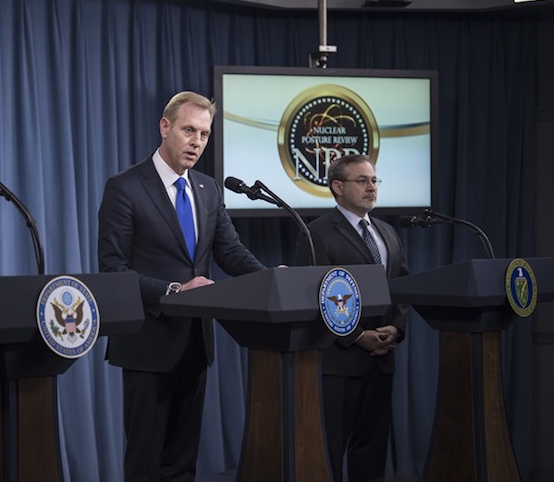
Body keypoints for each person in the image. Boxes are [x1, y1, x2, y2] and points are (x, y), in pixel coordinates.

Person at [98, 91, 267, 481]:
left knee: (182, 461)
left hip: (195, 341)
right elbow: (113, 269)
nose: (197, 142)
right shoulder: (125, 187)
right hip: (147, 343)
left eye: (204, 134)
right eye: (189, 130)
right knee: (145, 460)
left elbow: (231, 252)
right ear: (165, 127)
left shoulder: (208, 189)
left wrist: (269, 276)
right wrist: (174, 291)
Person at [294, 154, 409, 482]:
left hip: (382, 360)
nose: (372, 187)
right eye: (363, 181)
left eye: (374, 180)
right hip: (339, 363)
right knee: (329, 452)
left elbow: (401, 285)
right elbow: (312, 296)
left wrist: (395, 330)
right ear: (338, 187)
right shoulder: (316, 233)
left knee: (372, 453)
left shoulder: (387, 232)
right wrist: (357, 336)